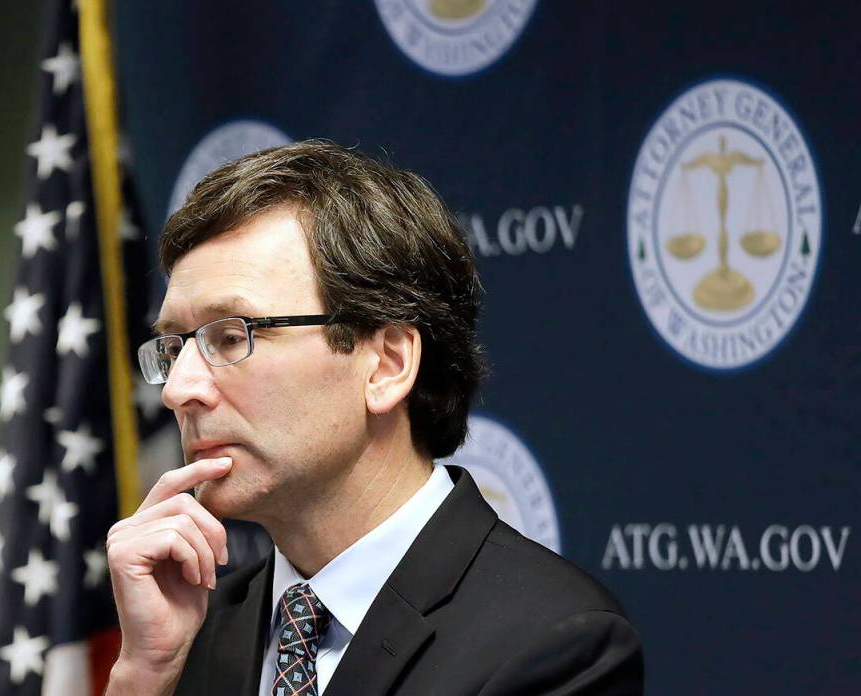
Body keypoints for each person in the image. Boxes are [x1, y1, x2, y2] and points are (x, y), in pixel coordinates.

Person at [105, 141, 643, 695]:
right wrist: (144, 675)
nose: (178, 390)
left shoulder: (553, 644)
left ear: (387, 365)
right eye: (174, 347)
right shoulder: (186, 634)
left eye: (230, 336)